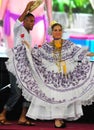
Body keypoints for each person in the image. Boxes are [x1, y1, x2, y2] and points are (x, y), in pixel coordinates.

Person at [5, 21, 94, 128]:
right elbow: (35, 54)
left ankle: (59, 119)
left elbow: (81, 53)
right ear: (52, 32)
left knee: (63, 98)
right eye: (55, 30)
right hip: (52, 77)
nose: (57, 32)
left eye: (59, 30)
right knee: (55, 98)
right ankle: (57, 120)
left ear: (62, 32)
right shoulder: (46, 46)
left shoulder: (69, 44)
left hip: (65, 76)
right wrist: (26, 48)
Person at [0, 1, 35, 125]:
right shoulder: (18, 28)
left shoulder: (29, 36)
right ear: (24, 21)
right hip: (15, 66)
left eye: (33, 22)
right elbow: (19, 19)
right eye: (31, 21)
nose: (33, 24)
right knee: (16, 92)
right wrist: (27, 8)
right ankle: (2, 114)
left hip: (24, 68)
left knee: (28, 92)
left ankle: (22, 117)